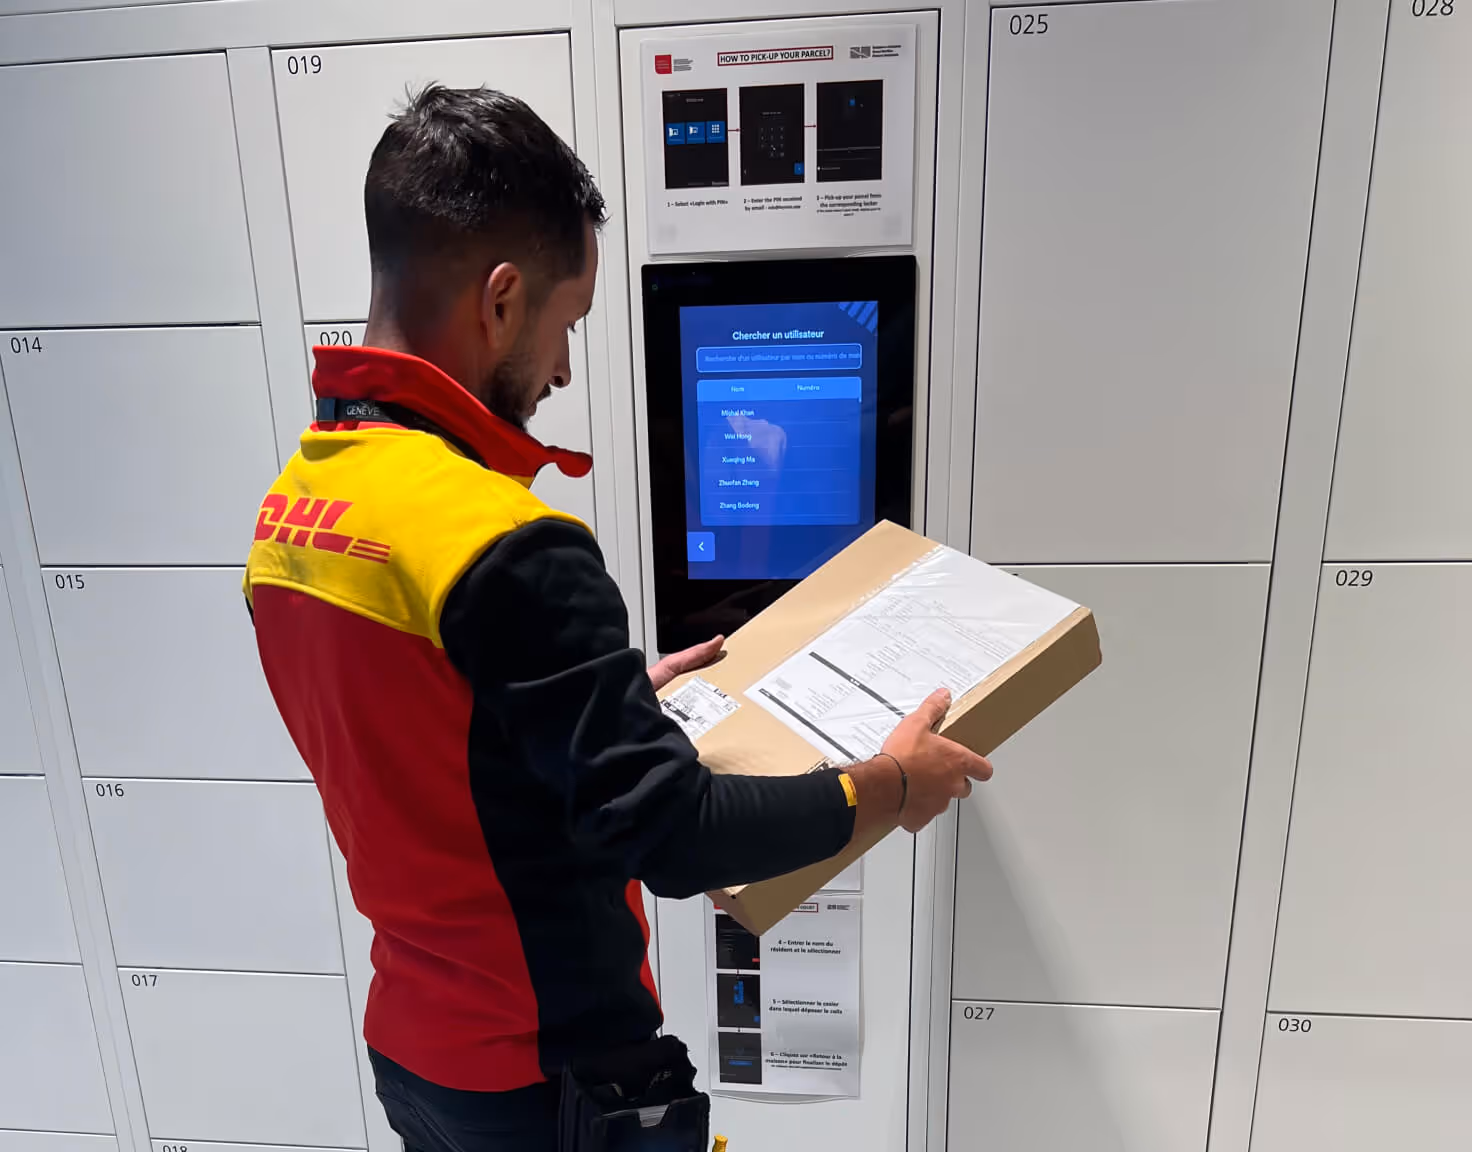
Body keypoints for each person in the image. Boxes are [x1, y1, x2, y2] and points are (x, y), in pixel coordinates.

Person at [244, 85, 992, 1152]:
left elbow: (424, 731)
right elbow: (673, 835)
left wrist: (607, 702)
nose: (557, 369)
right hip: (547, 1077)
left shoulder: (297, 509)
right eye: (564, 325)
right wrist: (888, 786)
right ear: (501, 300)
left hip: (416, 1056)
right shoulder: (506, 542)